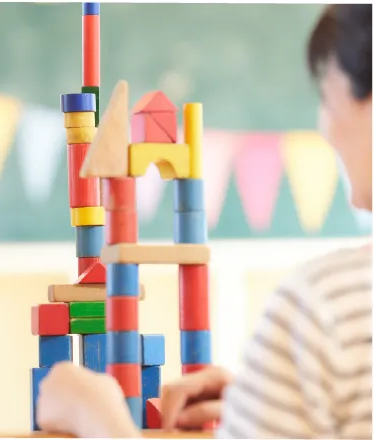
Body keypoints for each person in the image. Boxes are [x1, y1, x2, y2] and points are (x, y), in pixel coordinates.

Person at [36, 4, 371, 439]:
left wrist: (96, 418)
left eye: (327, 97)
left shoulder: (321, 309)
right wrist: (266, 405)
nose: (324, 126)